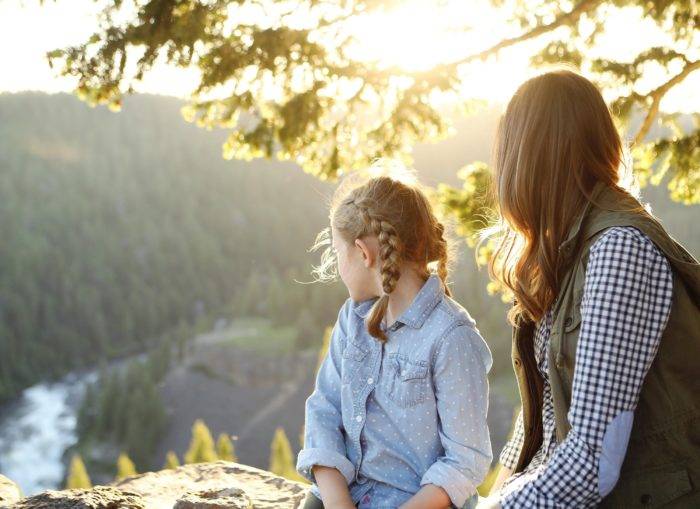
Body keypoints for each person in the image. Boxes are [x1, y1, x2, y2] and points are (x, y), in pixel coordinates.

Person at [477, 69, 700, 508]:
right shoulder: (569, 250)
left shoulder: (618, 251)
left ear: (527, 158)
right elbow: (541, 416)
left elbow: (591, 462)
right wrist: (494, 497)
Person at [296, 162, 493, 509]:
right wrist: (337, 501)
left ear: (363, 253)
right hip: (345, 495)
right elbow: (324, 409)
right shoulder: (353, 319)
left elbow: (465, 460)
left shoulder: (451, 337)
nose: (337, 266)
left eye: (338, 253)